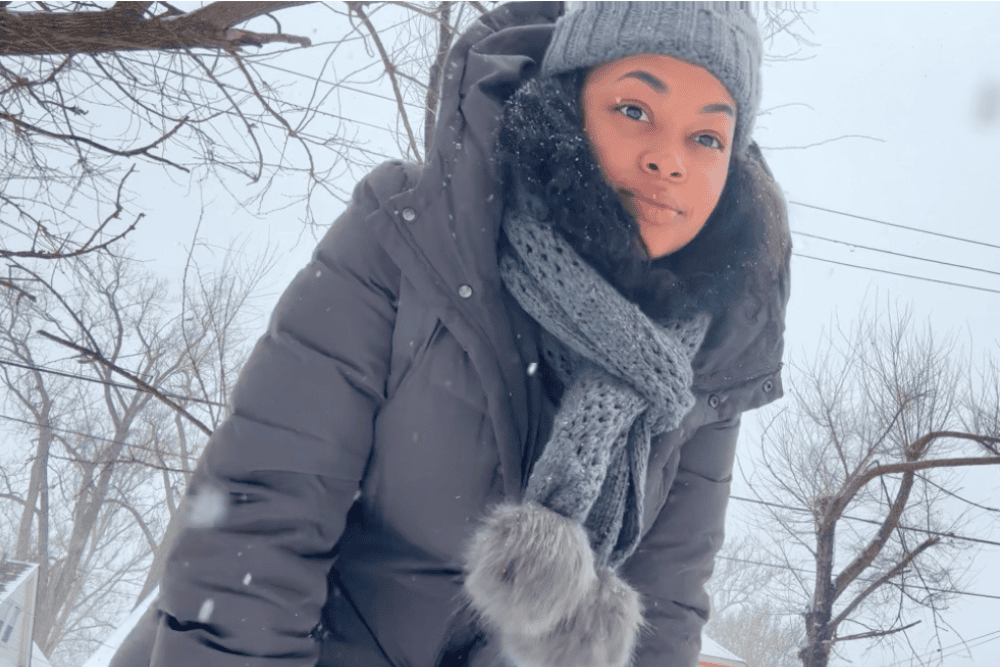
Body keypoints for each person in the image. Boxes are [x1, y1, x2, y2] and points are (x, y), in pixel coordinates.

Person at [110, 2, 790, 667]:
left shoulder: (712, 354)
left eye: (708, 137)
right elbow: (258, 525)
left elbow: (663, 614)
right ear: (570, 102)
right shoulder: (412, 237)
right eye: (635, 109)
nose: (669, 160)